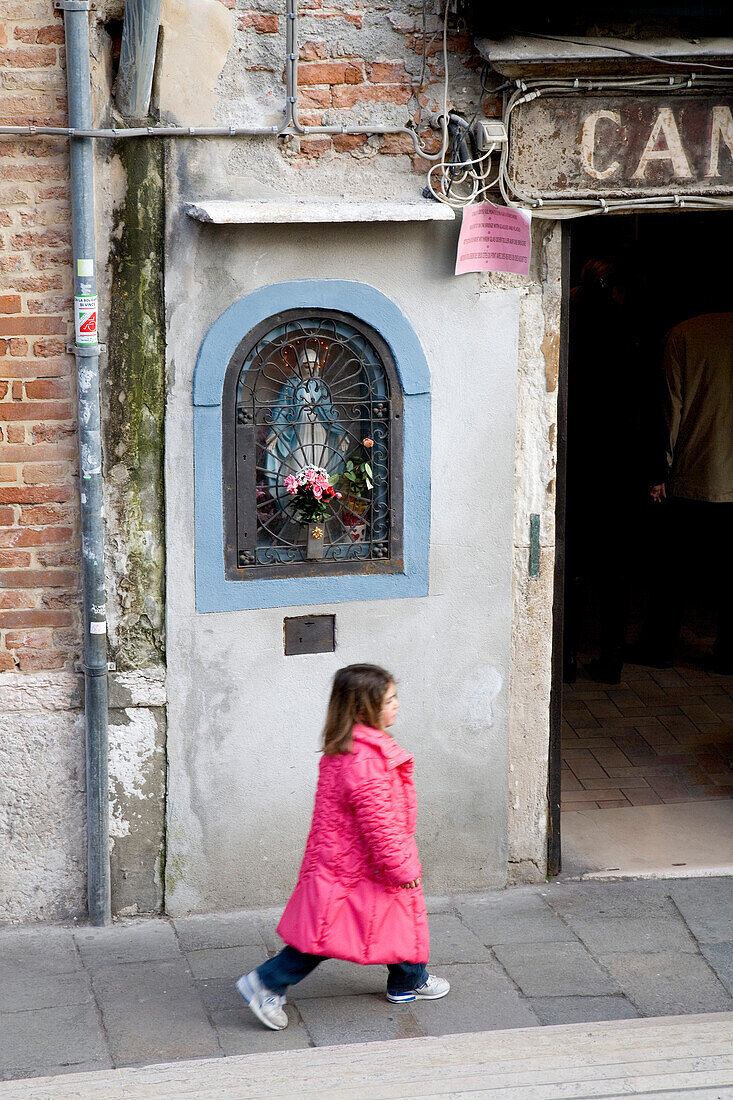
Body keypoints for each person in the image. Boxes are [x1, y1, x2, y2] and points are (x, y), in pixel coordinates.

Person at [236, 664, 450, 1030]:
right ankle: (266, 982)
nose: (397, 704)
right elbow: (379, 825)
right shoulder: (366, 761)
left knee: (395, 916)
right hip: (358, 866)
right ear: (364, 710)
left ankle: (409, 979)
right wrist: (403, 868)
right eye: (390, 699)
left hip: (356, 862)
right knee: (323, 935)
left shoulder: (353, 747)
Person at [634, 312, 733, 671]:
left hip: (696, 473)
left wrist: (658, 472)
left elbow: (669, 407)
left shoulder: (683, 336)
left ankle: (659, 648)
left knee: (672, 572)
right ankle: (729, 654)